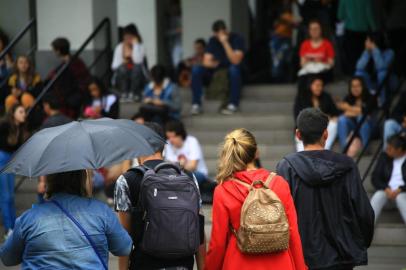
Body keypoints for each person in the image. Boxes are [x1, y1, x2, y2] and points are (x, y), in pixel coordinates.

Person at [276, 108, 375, 270]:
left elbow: (279, 214)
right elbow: (364, 212)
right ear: (326, 134)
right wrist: (357, 243)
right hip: (342, 255)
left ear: (298, 134)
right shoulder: (347, 165)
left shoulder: (286, 167)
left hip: (301, 256)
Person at [205, 128, 307, 270]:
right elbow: (292, 233)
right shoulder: (279, 184)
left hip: (239, 263)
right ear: (256, 152)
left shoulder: (223, 190)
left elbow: (218, 244)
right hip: (280, 263)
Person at [114, 122, 205, 270]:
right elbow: (199, 229)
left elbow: (125, 237)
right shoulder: (188, 177)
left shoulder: (127, 180)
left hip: (144, 264)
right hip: (183, 264)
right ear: (163, 146)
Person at [0, 170, 132, 268]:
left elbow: (7, 258)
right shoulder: (102, 212)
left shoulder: (28, 219)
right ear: (83, 180)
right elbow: (124, 248)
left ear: (49, 181)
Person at [191, 20, 245, 115]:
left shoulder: (237, 38)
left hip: (232, 70)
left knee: (234, 69)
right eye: (217, 34)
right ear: (215, 33)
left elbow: (235, 60)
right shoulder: (213, 40)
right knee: (196, 69)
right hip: (217, 70)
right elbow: (206, 62)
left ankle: (233, 104)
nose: (219, 37)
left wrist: (225, 43)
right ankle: (196, 104)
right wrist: (220, 64)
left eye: (222, 33)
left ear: (226, 31)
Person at [0, 104, 27, 239]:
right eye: (21, 111)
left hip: (10, 160)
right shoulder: (4, 125)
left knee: (10, 196)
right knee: (6, 197)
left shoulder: (19, 128)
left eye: (24, 111)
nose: (24, 114)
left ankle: (12, 227)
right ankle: (8, 229)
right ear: (13, 113)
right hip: (1, 159)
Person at [47, 37, 91, 118]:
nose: (53, 52)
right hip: (69, 98)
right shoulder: (74, 62)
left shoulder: (72, 64)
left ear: (58, 51)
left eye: (54, 49)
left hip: (73, 99)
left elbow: (81, 81)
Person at [294, 76, 339, 151]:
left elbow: (335, 113)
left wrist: (332, 118)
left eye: (321, 85)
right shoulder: (302, 97)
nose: (319, 88)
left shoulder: (326, 97)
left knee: (334, 123)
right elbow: (298, 116)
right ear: (310, 85)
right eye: (317, 85)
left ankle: (324, 149)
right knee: (302, 153)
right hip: (306, 127)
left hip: (322, 128)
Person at [370, 133, 406, 224]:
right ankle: (364, 230)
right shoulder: (384, 157)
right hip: (387, 191)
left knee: (401, 198)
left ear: (399, 150)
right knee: (378, 195)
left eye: (390, 149)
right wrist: (385, 188)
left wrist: (401, 189)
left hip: (403, 192)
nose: (387, 150)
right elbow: (375, 177)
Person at [337, 76, 377, 157]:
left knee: (361, 118)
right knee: (342, 119)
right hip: (355, 128)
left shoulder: (370, 96)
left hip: (370, 127)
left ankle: (366, 148)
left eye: (358, 86)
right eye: (353, 86)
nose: (355, 88)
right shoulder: (348, 98)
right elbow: (343, 113)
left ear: (363, 86)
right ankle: (345, 148)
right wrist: (357, 111)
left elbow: (366, 111)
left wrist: (348, 108)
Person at [338, 0, 379, 75]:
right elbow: (369, 15)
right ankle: (368, 76)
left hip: (350, 31)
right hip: (364, 31)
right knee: (367, 55)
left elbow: (340, 16)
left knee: (353, 57)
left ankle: (355, 78)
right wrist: (375, 29)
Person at [355, 36, 395, 105]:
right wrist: (366, 52)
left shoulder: (390, 52)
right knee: (358, 73)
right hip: (374, 84)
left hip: (389, 82)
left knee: (381, 73)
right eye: (366, 41)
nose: (366, 43)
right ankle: (370, 98)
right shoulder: (368, 51)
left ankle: (383, 101)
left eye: (369, 41)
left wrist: (375, 50)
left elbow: (381, 67)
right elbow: (359, 67)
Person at [297, 19, 334, 93]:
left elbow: (331, 63)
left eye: (316, 29)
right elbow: (302, 63)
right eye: (312, 29)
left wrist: (321, 62)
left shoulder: (327, 44)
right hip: (309, 70)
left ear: (320, 30)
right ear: (309, 31)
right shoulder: (305, 44)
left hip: (323, 71)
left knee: (315, 78)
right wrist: (312, 61)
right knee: (304, 79)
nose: (314, 31)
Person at [112, 23, 147, 102]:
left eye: (130, 37)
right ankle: (124, 93)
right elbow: (114, 66)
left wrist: (135, 45)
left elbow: (138, 62)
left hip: (137, 75)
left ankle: (134, 93)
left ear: (135, 36)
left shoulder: (139, 46)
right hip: (122, 75)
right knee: (122, 68)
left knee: (137, 68)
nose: (128, 39)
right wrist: (123, 62)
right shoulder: (119, 47)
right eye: (126, 36)